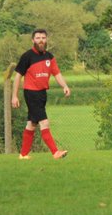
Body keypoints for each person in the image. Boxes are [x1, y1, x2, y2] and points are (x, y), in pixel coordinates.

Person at [11, 29, 71, 160]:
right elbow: (17, 77)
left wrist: (65, 86)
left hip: (42, 93)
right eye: (38, 38)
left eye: (43, 38)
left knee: (32, 124)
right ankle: (55, 152)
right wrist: (14, 96)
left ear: (46, 40)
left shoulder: (50, 57)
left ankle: (23, 154)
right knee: (44, 122)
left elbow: (57, 73)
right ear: (33, 40)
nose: (41, 40)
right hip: (31, 93)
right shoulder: (27, 56)